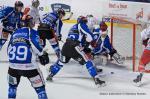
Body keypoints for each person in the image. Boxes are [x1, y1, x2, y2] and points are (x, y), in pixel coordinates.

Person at [46, 16, 106, 86]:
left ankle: (50, 75)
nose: (86, 23)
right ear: (82, 21)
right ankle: (97, 79)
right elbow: (90, 36)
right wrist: (90, 40)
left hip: (65, 46)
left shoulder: (73, 26)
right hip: (74, 46)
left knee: (60, 63)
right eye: (85, 21)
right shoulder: (81, 24)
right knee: (88, 61)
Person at [7, 15, 49, 99]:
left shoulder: (15, 32)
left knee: (12, 88)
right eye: (32, 21)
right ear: (29, 23)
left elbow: (8, 49)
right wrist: (42, 54)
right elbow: (36, 46)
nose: (33, 23)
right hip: (30, 68)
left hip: (13, 68)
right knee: (40, 90)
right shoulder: (32, 32)